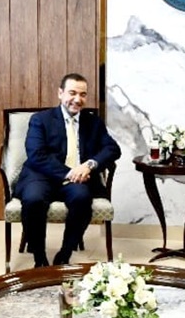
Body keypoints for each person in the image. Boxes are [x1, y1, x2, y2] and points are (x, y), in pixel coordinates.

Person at [13, 72, 121, 268]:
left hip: (77, 180)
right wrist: (69, 172)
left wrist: (89, 165)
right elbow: (36, 154)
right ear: (60, 93)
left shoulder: (93, 122)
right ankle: (39, 258)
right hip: (42, 176)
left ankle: (65, 254)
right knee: (33, 199)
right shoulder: (41, 119)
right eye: (72, 93)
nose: (77, 99)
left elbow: (112, 149)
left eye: (83, 94)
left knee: (82, 198)